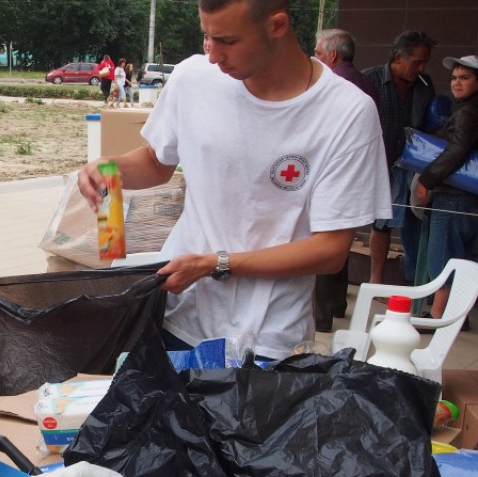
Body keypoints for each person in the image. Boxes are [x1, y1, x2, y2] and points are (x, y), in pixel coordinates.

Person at [77, 0, 390, 360]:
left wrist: (216, 263)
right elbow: (156, 161)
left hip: (268, 337)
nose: (213, 56)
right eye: (207, 37)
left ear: (277, 25)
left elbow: (330, 250)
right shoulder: (193, 78)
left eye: (227, 40)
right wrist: (110, 167)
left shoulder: (346, 113)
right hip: (175, 314)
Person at [312, 28, 381, 332]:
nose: (315, 58)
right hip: (354, 174)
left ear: (333, 55)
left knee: (324, 247)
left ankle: (323, 316)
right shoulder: (367, 80)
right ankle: (336, 305)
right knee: (342, 241)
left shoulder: (336, 86)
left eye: (318, 52)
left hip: (334, 173)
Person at [363, 31, 436, 287]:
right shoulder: (370, 79)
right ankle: (376, 280)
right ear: (398, 57)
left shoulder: (424, 85)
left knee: (415, 222)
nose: (421, 67)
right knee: (381, 224)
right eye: (417, 61)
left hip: (412, 166)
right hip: (378, 164)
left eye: (425, 62)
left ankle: (415, 282)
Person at [414, 55, 478, 320]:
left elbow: (457, 150)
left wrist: (427, 179)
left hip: (453, 196)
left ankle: (440, 316)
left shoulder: (467, 113)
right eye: (454, 78)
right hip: (466, 197)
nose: (457, 83)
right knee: (462, 259)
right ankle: (453, 316)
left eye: (465, 78)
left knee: (443, 256)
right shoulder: (466, 109)